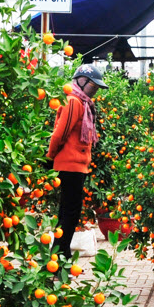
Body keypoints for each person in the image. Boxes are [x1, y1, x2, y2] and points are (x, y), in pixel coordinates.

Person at [47, 63, 108, 258]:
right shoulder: (73, 101)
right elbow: (60, 133)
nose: (94, 91)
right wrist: (50, 157)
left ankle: (60, 257)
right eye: (92, 86)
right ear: (81, 81)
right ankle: (59, 258)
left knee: (68, 213)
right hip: (70, 166)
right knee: (69, 214)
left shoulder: (82, 102)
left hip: (77, 166)